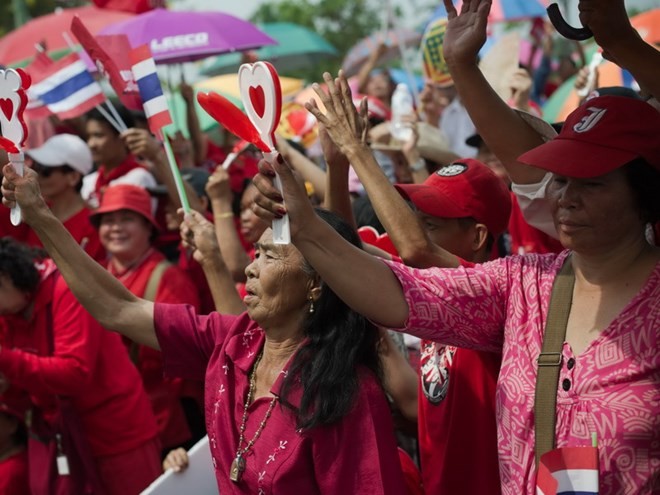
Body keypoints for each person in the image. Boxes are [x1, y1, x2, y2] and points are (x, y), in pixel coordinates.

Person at [247, 82, 660, 495]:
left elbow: (415, 254)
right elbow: (399, 294)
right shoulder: (523, 283)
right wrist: (302, 227)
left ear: (644, 192)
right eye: (561, 180)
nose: (567, 198)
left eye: (591, 183)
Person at [1, 174, 407, 494]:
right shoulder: (233, 341)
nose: (249, 268)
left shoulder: (347, 393)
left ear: (315, 284)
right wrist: (41, 217)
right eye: (256, 253)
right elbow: (118, 308)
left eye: (268, 256)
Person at [314, 73, 509, 494]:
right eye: (416, 219)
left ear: (476, 238)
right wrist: (336, 165)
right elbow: (345, 249)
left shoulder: (497, 296)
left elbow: (416, 249)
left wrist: (358, 150)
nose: (412, 232)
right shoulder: (428, 287)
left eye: (431, 224)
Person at [0, 238, 161, 495]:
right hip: (61, 435)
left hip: (115, 436)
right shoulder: (9, 309)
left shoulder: (66, 287)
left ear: (6, 277)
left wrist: (6, 360)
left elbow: (74, 372)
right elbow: (21, 387)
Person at [89, 184, 202, 453]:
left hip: (162, 420)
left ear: (148, 228)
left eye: (127, 219)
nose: (116, 228)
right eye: (108, 220)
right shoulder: (95, 275)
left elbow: (184, 351)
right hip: (107, 419)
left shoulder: (169, 277)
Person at [22, 134, 104, 261]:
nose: (36, 175)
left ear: (73, 177)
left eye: (45, 170)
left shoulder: (93, 225)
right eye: (35, 166)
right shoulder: (35, 213)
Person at [81, 108, 156, 208]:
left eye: (98, 135)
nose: (91, 144)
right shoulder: (89, 181)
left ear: (123, 137)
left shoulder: (139, 178)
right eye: (89, 136)